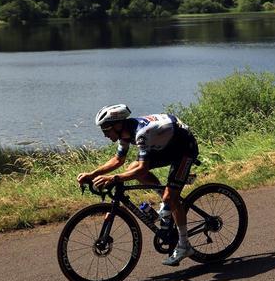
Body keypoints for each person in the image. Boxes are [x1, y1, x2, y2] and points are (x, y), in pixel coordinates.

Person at [77, 105, 200, 266]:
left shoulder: (142, 134)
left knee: (171, 197)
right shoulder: (125, 134)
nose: (105, 135)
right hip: (166, 144)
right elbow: (118, 160)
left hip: (185, 148)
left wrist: (113, 178)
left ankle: (184, 245)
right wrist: (92, 174)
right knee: (131, 168)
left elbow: (142, 168)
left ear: (118, 125)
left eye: (106, 130)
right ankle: (166, 201)